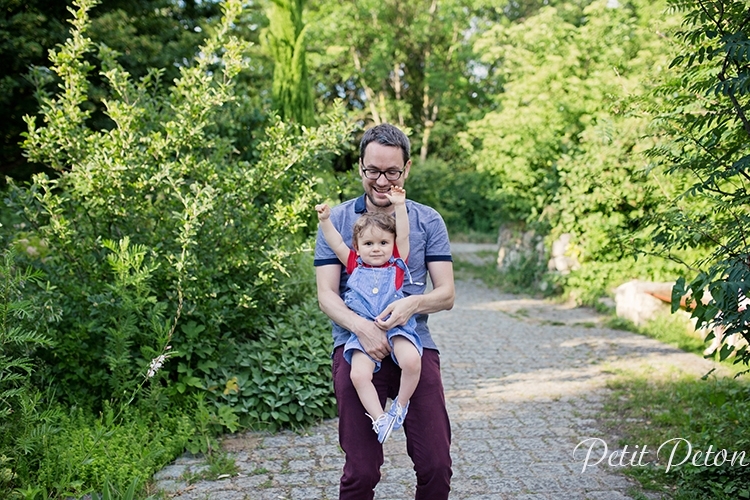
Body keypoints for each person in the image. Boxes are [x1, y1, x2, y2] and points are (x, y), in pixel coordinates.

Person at [314, 123, 455, 500]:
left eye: (391, 172)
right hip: (356, 346)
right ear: (360, 166)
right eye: (372, 170)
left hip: (412, 342)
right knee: (360, 472)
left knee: (436, 466)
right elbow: (326, 295)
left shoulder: (428, 220)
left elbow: (446, 293)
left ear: (406, 169)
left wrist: (413, 302)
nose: (381, 181)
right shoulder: (340, 220)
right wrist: (363, 328)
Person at [315, 185, 422, 445]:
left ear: (392, 245)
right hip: (363, 332)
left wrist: (399, 205)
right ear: (358, 246)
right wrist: (326, 220)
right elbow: (335, 241)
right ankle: (380, 418)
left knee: (412, 362)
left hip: (396, 327)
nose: (376, 249)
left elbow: (404, 235)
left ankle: (400, 405)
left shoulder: (397, 263)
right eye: (369, 243)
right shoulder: (353, 262)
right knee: (358, 375)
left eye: (384, 242)